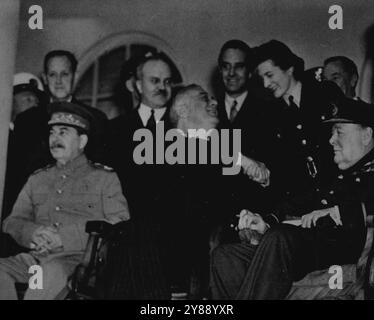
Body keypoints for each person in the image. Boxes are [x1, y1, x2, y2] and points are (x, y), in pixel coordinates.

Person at [210, 97, 374, 299]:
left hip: (341, 253)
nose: (331, 140)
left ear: (367, 135)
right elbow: (301, 201)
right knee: (226, 257)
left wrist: (340, 211)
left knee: (281, 238)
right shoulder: (335, 174)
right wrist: (266, 222)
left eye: (339, 132)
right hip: (308, 249)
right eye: (331, 133)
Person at [0, 102, 130, 300]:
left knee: (46, 276)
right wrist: (33, 233)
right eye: (52, 132)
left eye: (63, 132)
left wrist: (63, 237)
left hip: (79, 263)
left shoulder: (104, 178)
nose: (55, 139)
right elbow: (12, 221)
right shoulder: (37, 179)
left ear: (82, 141)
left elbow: (119, 221)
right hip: (37, 260)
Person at [253, 40, 344, 203]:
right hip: (302, 204)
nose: (266, 84)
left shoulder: (325, 93)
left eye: (269, 75)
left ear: (289, 68)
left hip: (340, 194)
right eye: (262, 78)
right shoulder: (268, 113)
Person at [215, 40, 275, 214]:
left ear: (249, 72)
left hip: (256, 213)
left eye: (239, 66)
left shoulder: (269, 110)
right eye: (226, 66)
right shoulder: (209, 110)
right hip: (216, 214)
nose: (231, 73)